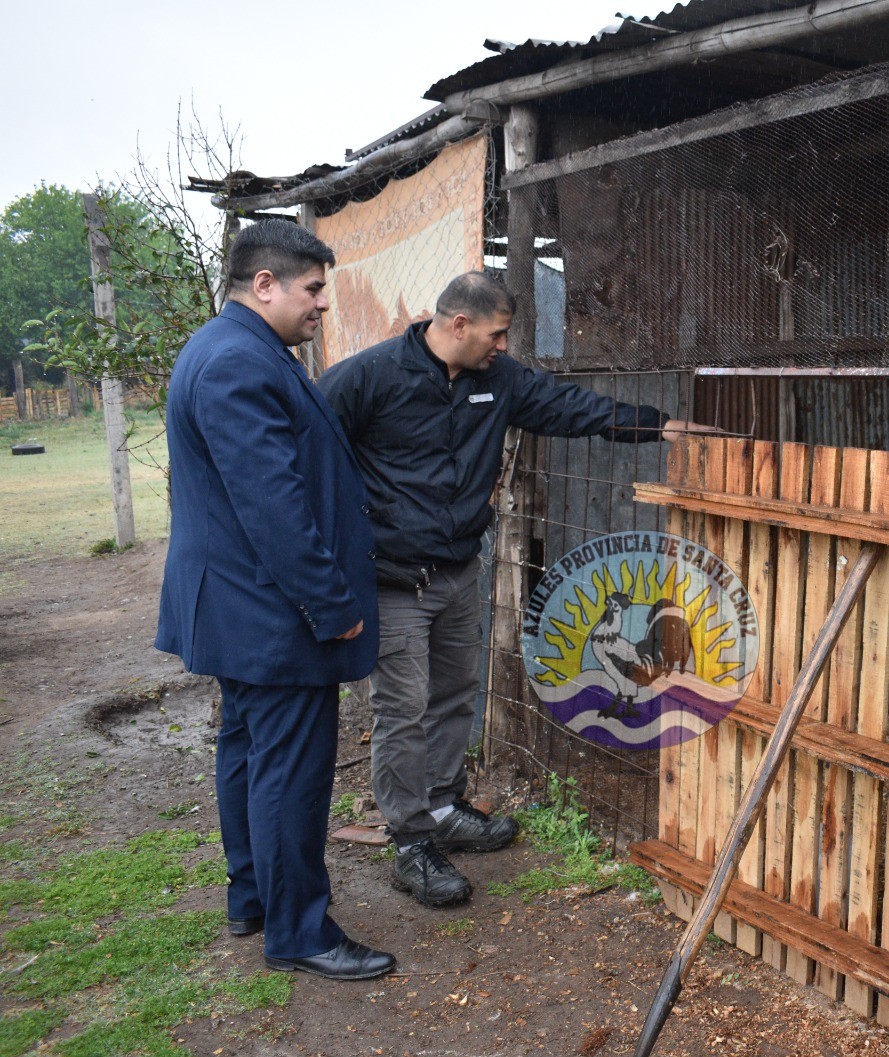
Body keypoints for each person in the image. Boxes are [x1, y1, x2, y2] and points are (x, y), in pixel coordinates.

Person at [320, 271, 712, 907]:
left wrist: (659, 427)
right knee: (403, 709)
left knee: (452, 695)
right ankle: (410, 841)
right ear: (458, 325)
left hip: (455, 572)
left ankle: (444, 806)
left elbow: (567, 407)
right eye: (497, 333)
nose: (504, 345)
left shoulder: (497, 379)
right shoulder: (368, 377)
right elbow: (310, 450)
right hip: (390, 579)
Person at [155, 219, 394, 980]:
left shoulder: (227, 348)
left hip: (236, 606)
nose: (322, 305)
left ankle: (252, 897)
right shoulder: (236, 362)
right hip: (268, 611)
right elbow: (273, 507)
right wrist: (332, 604)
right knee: (289, 769)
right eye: (313, 290)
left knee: (248, 751)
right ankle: (299, 931)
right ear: (266, 285)